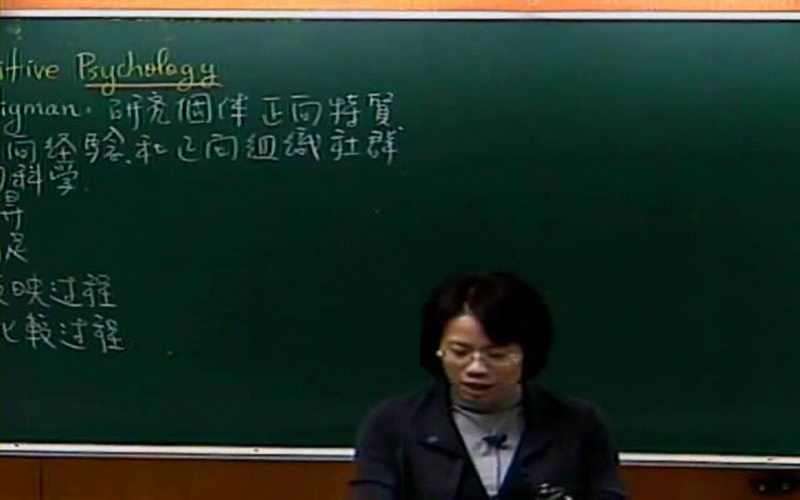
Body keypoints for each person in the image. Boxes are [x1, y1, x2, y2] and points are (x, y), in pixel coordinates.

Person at [350, 272, 626, 500]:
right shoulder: (393, 423)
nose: (476, 368)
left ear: (528, 354)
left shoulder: (579, 423)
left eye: (497, 355)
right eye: (460, 352)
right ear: (438, 349)